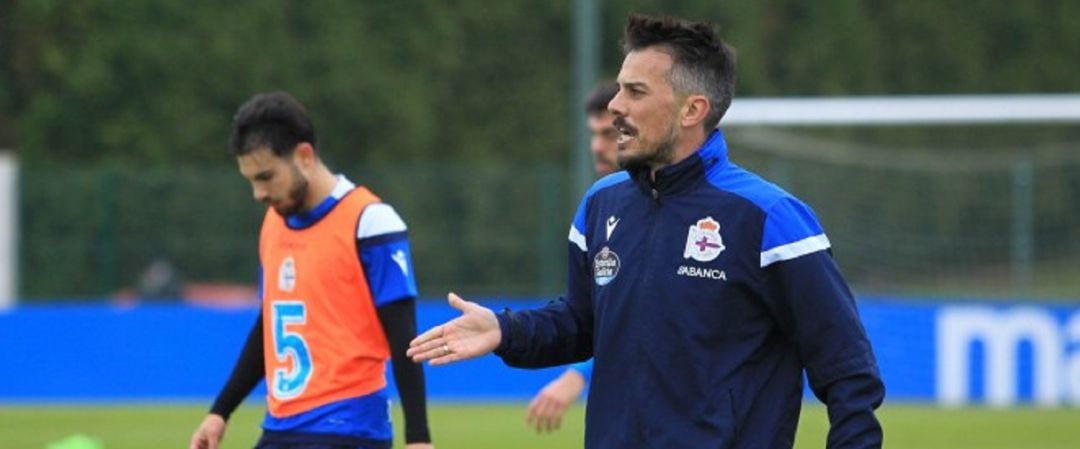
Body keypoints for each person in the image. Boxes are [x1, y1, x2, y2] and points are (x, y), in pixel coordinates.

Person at [408, 14, 884, 449]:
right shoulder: (602, 203)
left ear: (692, 109)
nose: (614, 105)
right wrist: (505, 330)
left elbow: (845, 366)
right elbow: (580, 326)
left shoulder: (769, 216)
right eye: (618, 89)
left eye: (635, 92)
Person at [190, 92, 434, 449]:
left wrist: (418, 437)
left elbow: (404, 336)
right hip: (281, 426)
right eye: (251, 181)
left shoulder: (370, 222)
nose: (258, 193)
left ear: (304, 156)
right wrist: (220, 412)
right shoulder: (274, 223)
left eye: (266, 177)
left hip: (347, 428)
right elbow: (269, 326)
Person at [525, 80, 618, 434]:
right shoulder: (599, 207)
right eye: (593, 134)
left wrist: (579, 374)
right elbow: (587, 316)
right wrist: (502, 330)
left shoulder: (673, 212)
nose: (597, 147)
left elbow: (654, 318)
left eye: (609, 134)